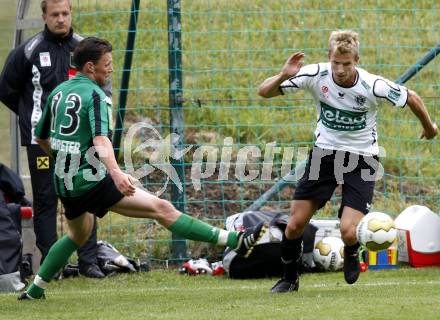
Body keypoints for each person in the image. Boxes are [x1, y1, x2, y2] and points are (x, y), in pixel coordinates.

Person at [18, 36, 266, 300]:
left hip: (64, 182)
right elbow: (101, 140)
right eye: (107, 63)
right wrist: (115, 173)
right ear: (90, 67)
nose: (111, 69)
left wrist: (63, 158)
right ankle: (235, 240)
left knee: (78, 234)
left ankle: (35, 290)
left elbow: (42, 137)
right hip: (90, 180)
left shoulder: (58, 92)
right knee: (162, 209)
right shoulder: (95, 95)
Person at [258, 30, 438, 293]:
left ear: (357, 59)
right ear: (329, 57)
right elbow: (264, 92)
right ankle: (289, 278)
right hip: (324, 154)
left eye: (347, 64)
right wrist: (284, 76)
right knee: (295, 224)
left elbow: (411, 97)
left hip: (362, 159)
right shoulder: (314, 74)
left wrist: (429, 127)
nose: (341, 70)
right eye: (336, 63)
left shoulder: (372, 85)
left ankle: (352, 251)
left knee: (348, 231)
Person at [0, 0, 105, 278]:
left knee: (87, 194)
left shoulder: (84, 50)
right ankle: (52, 264)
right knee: (47, 199)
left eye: (65, 13)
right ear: (44, 16)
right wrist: (31, 118)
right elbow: (6, 89)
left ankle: (89, 262)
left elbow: (100, 87)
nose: (61, 19)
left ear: (71, 14)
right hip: (41, 142)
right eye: (55, 14)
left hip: (80, 142)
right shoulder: (28, 51)